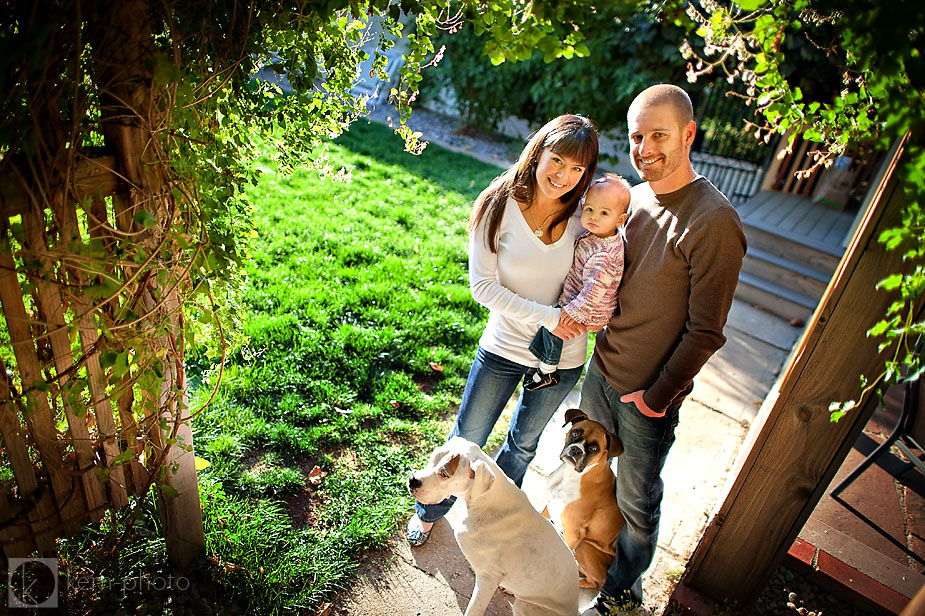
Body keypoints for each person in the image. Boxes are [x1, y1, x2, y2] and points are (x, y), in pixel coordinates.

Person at [579, 85, 747, 615]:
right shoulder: (638, 197)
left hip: (644, 399)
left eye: (659, 135)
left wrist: (655, 398)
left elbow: (705, 331)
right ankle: (587, 555)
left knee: (637, 501)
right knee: (589, 475)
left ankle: (623, 589)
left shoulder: (714, 221)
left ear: (689, 135)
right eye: (636, 136)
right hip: (601, 371)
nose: (645, 148)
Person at [405, 114, 600, 546]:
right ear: (538, 153)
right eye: (558, 161)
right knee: (467, 438)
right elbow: (483, 288)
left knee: (522, 447)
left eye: (578, 169)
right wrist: (548, 316)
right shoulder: (499, 203)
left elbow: (606, 270)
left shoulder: (585, 217)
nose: (565, 176)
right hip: (503, 347)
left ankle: (489, 517)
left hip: (563, 357)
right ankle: (430, 510)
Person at [524, 173, 631, 391]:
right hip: (582, 298)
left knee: (555, 326)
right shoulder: (598, 234)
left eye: (604, 213)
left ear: (620, 220)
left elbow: (594, 292)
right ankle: (539, 360)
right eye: (589, 209)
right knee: (549, 325)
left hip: (591, 308)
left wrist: (568, 313)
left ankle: (547, 371)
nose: (594, 217)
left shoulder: (605, 255)